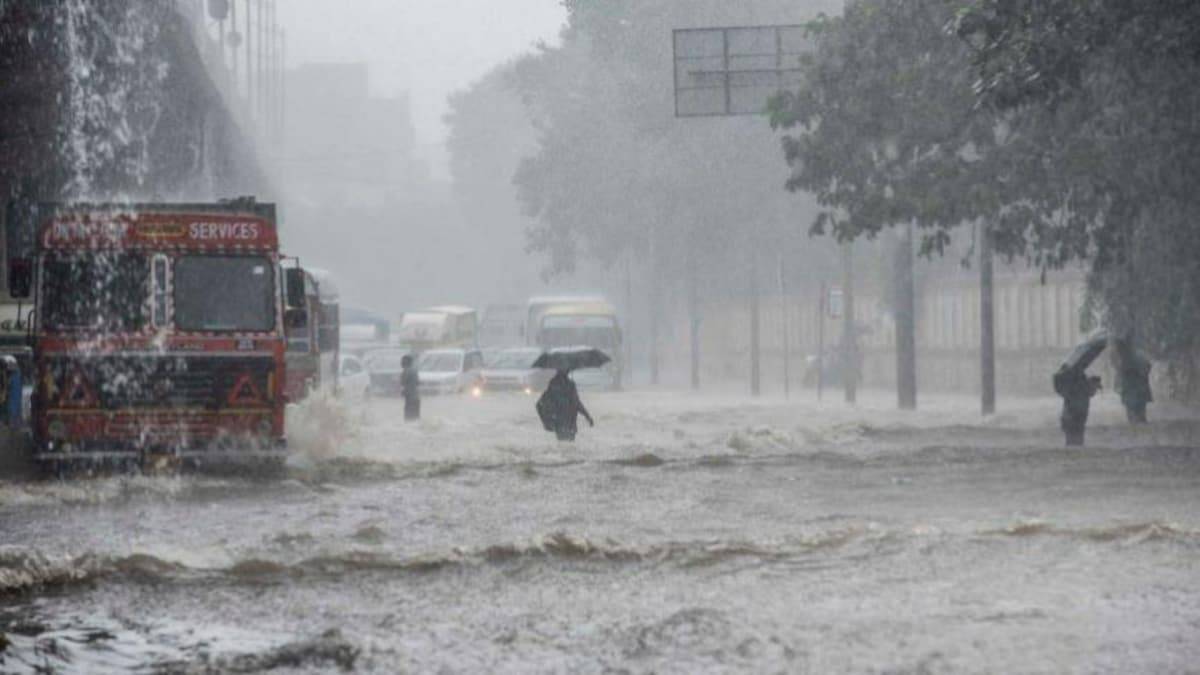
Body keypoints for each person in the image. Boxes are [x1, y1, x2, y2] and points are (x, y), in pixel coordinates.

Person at [536, 369, 594, 441]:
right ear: (567, 372)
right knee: (569, 447)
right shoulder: (570, 385)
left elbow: (539, 404)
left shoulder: (553, 384)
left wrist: (547, 421)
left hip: (558, 422)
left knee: (562, 446)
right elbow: (577, 403)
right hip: (570, 422)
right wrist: (587, 417)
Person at [1053, 365, 1101, 446]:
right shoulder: (1080, 385)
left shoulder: (1077, 383)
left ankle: (1073, 447)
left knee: (1073, 439)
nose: (1095, 391)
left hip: (1072, 416)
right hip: (1074, 416)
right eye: (1095, 387)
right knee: (1075, 438)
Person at [1113, 339, 1152, 424]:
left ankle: (1136, 421)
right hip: (1139, 387)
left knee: (1133, 410)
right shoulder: (1139, 354)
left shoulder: (1126, 358)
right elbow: (1148, 367)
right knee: (1139, 409)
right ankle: (1140, 421)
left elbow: (1120, 372)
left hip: (1133, 388)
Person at [400, 354, 420, 421]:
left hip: (410, 399)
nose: (401, 363)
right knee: (416, 419)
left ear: (406, 362)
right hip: (416, 398)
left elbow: (403, 382)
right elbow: (417, 383)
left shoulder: (406, 371)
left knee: (408, 420)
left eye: (402, 361)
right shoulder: (414, 371)